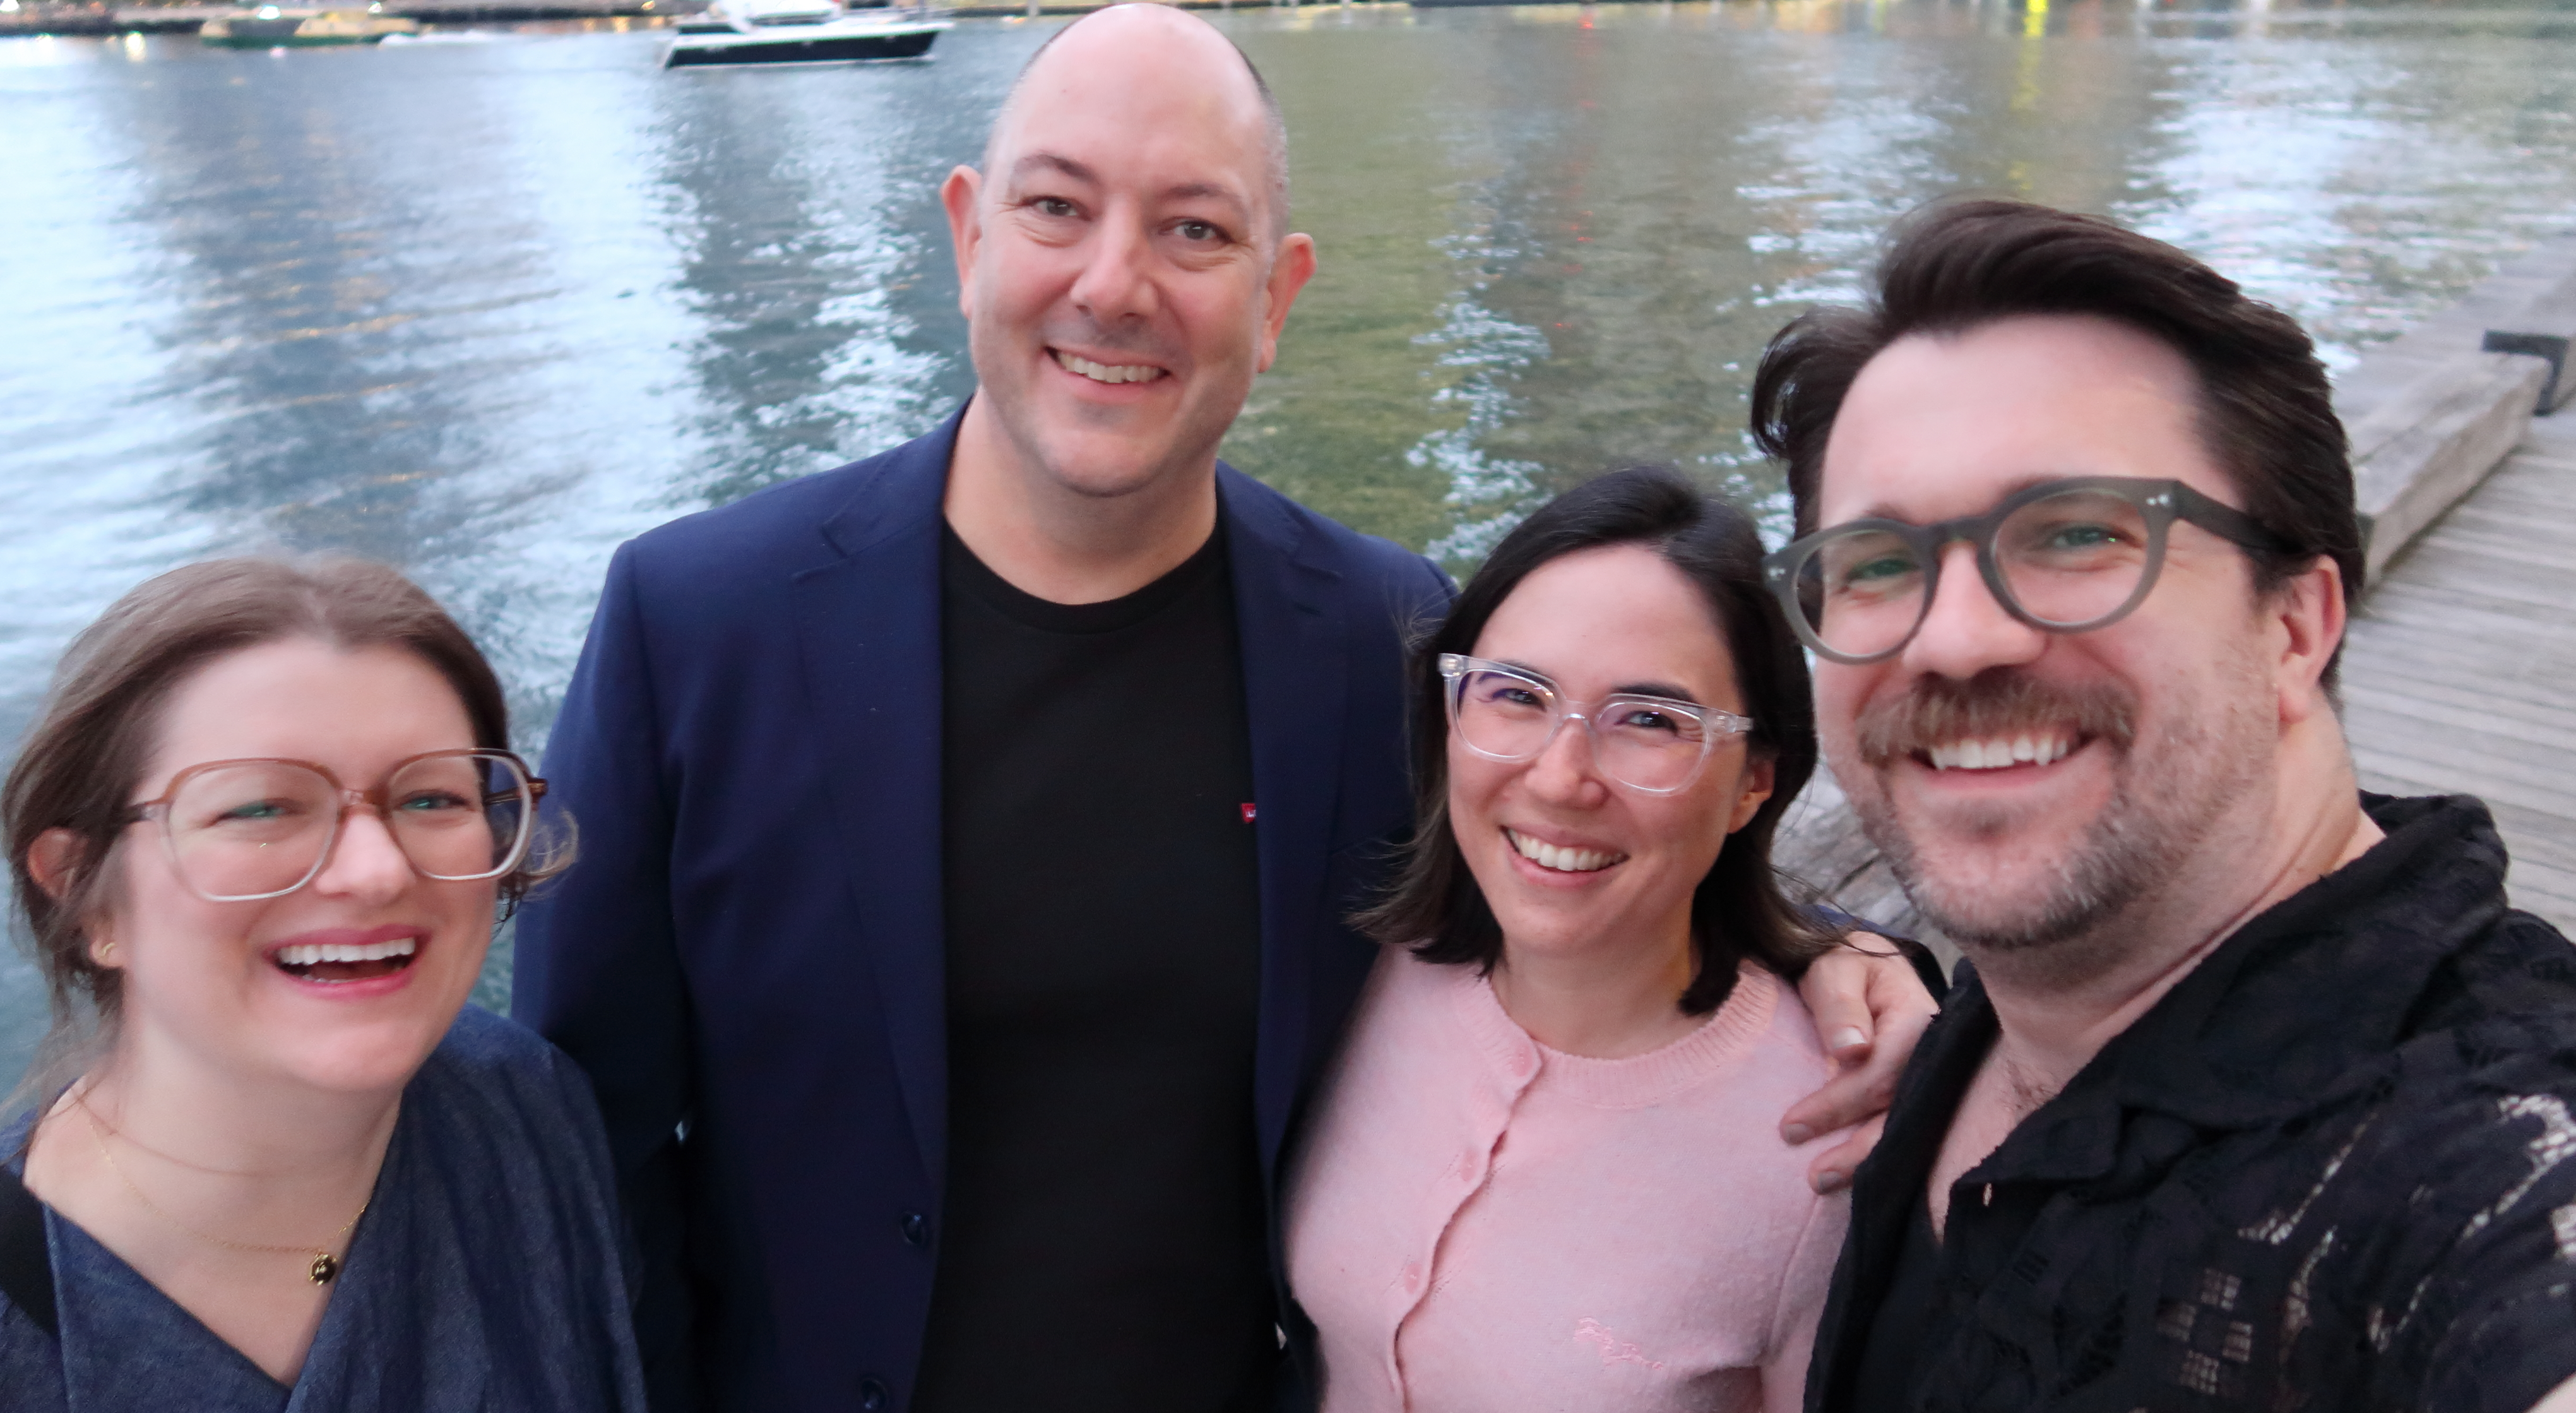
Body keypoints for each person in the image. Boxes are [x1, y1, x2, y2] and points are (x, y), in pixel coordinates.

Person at [511, 9, 1935, 1412]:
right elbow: (579, 1139)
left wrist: (1828, 953)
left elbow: (1549, 873)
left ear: (1277, 297)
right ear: (968, 236)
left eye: (1196, 231)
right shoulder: (695, 623)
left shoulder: (1379, 640)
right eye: (1058, 209)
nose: (1116, 286)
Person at [1745, 198, 2576, 1413]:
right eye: (1874, 563)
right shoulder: (2009, 1011)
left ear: (2295, 625)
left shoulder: (2484, 1156)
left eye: (2076, 532)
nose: (1957, 636)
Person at [1289, 468, 1925, 1413]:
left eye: (1650, 720)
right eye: (1516, 694)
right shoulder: (1347, 966)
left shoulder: (1828, 1146)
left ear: (1756, 779)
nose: (1560, 777)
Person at [0, 557, 646, 1412]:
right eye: (260, 808)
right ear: (87, 894)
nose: (377, 870)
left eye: (431, 799)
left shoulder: (525, 1105)